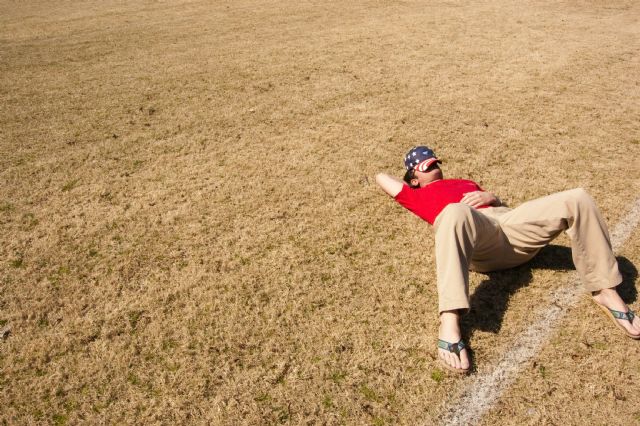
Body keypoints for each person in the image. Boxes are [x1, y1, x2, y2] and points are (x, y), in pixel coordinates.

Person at [375, 146, 640, 374]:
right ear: (413, 178)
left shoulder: (464, 181)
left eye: (435, 161)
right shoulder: (416, 195)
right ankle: (450, 320)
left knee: (577, 198)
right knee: (454, 211)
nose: (434, 165)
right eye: (426, 164)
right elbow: (381, 177)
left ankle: (605, 289)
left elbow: (499, 206)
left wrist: (493, 197)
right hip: (481, 240)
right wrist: (410, 174)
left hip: (510, 224)